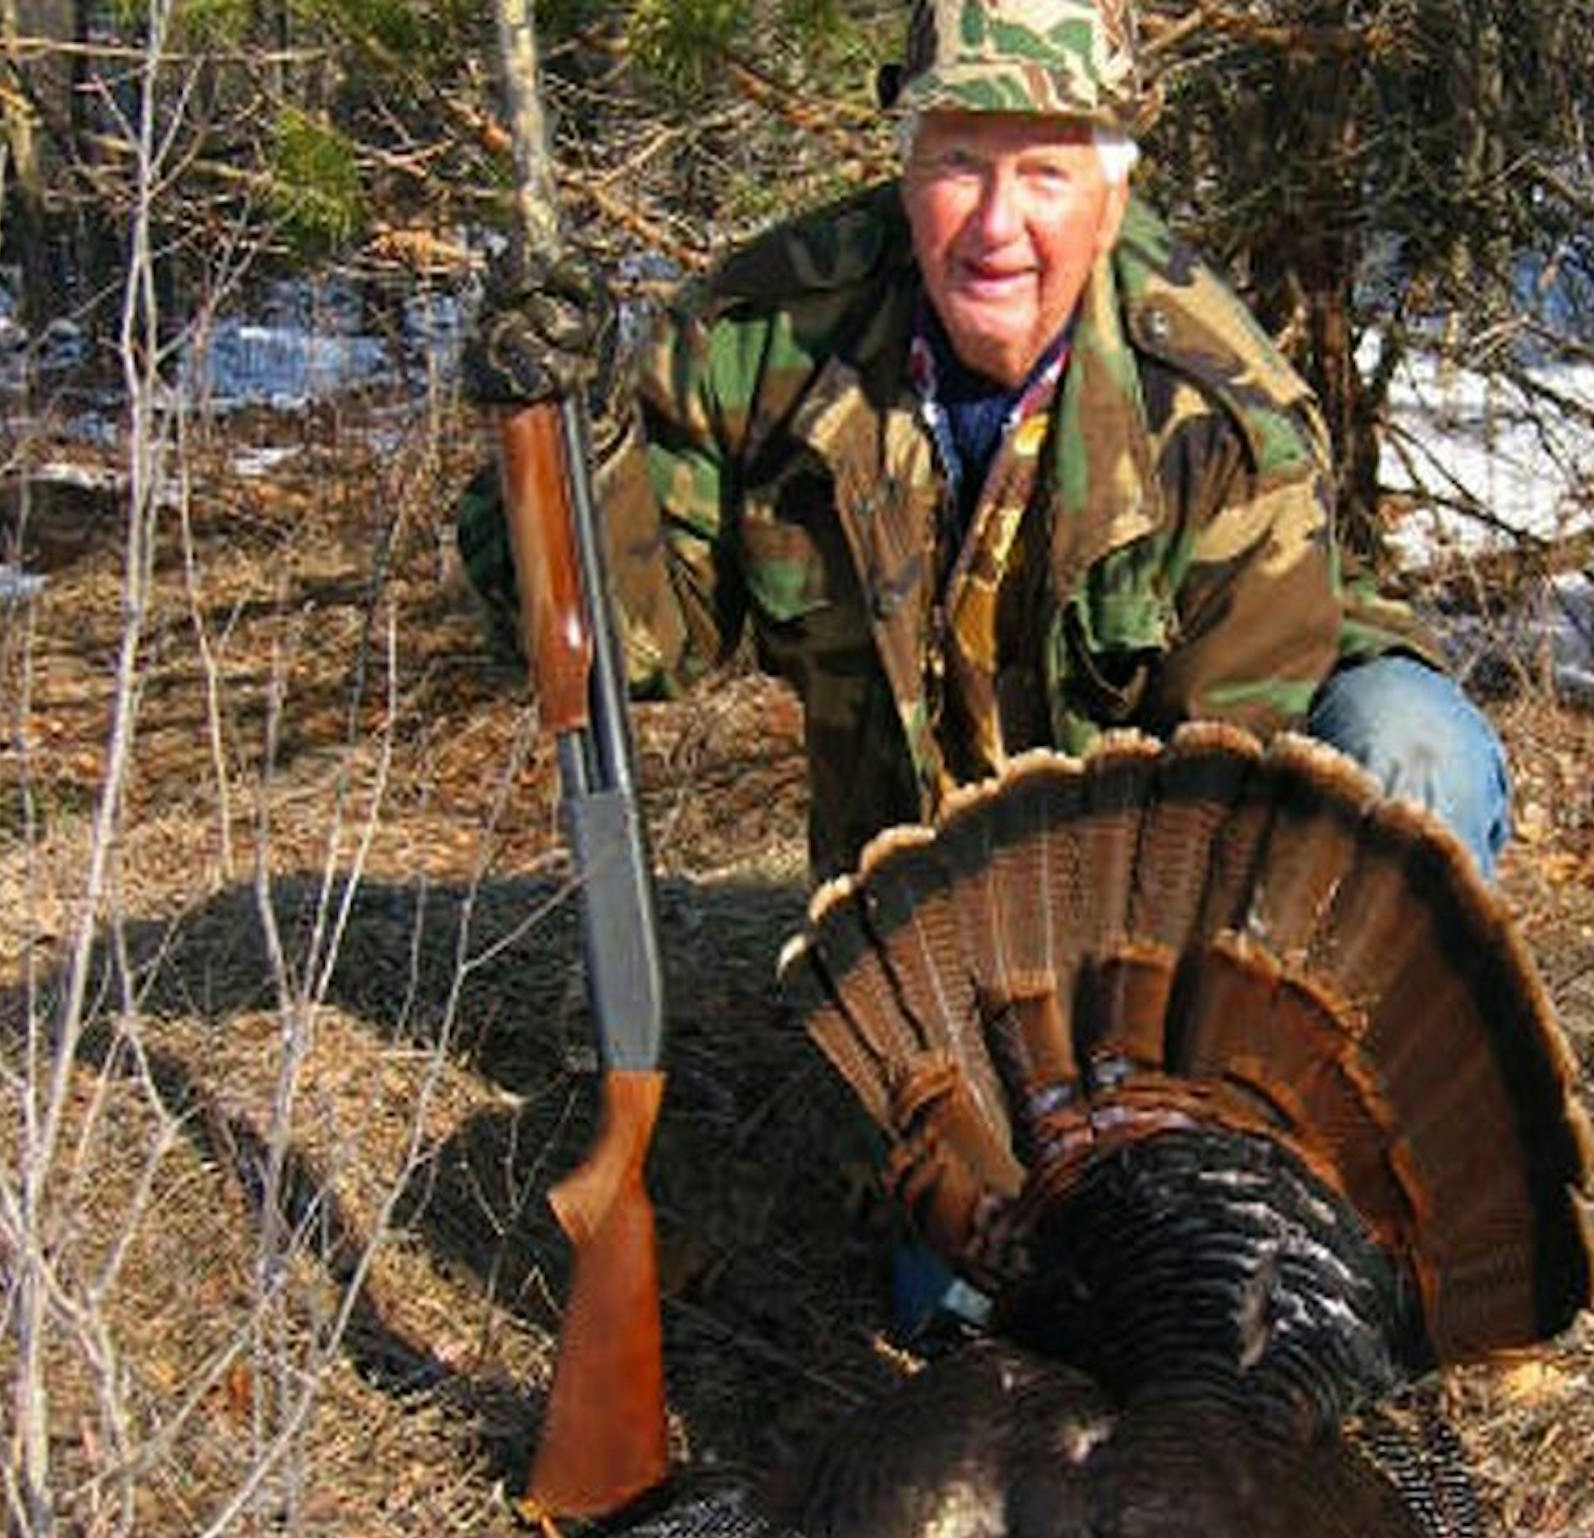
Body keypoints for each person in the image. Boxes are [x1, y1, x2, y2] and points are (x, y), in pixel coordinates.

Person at [460, 0, 1512, 890]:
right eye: (959, 162)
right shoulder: (763, 337)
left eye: (1047, 174)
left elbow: (1217, 801)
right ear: (905, 169)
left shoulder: (1227, 422)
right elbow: (631, 644)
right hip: (923, 906)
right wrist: (562, 437)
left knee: (1411, 749)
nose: (996, 225)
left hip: (1216, 817)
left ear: (1113, 201)